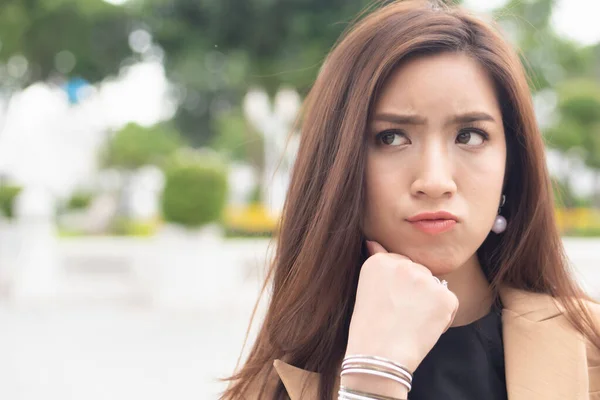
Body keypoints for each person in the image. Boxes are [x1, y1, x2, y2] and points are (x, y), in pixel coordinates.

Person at [221, 1, 600, 399]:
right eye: (391, 137)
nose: (434, 181)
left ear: (513, 164)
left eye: (469, 135)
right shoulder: (273, 386)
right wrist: (373, 377)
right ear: (338, 166)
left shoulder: (589, 352)